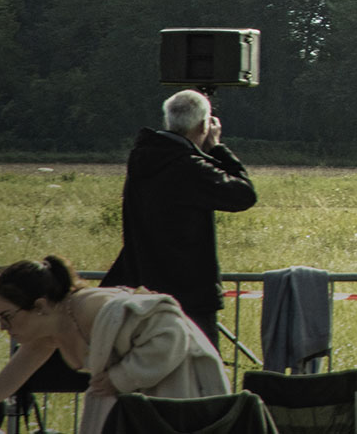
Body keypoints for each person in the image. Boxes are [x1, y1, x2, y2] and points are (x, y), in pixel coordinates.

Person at [0, 256, 227, 434]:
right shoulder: (46, 332)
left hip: (183, 394)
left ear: (39, 306)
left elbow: (171, 333)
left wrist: (122, 377)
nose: (4, 327)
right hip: (142, 411)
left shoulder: (92, 307)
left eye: (7, 316)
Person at [103, 89, 258, 346]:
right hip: (189, 296)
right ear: (203, 126)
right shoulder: (188, 167)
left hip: (142, 289)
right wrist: (217, 148)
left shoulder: (142, 158)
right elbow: (243, 194)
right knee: (202, 376)